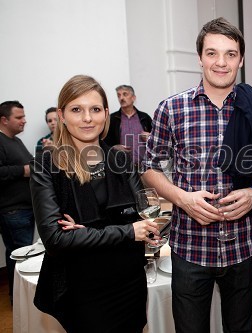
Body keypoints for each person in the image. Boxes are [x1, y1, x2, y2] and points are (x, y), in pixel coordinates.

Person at [141, 17, 252, 333]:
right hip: (190, 246)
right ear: (200, 57)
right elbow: (149, 168)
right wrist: (182, 199)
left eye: (231, 54)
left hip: (243, 244)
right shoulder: (171, 109)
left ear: (241, 60)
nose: (221, 62)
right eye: (212, 53)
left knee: (239, 327)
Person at [30, 75, 158, 332]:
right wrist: (127, 231)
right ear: (62, 115)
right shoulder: (46, 166)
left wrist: (88, 233)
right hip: (83, 288)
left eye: (95, 109)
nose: (87, 118)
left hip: (129, 282)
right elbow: (56, 240)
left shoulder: (120, 160)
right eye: (77, 109)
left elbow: (146, 219)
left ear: (106, 114)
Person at [0, 100, 35, 304]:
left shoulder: (15, 140)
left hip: (24, 209)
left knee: (16, 255)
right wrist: (23, 170)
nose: (24, 121)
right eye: (19, 117)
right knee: (22, 258)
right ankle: (24, 302)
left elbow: (29, 162)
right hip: (13, 211)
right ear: (4, 120)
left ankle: (18, 298)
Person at [103, 84, 152, 166]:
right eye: (119, 95)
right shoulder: (112, 119)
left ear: (133, 98)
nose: (121, 98)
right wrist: (115, 148)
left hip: (144, 166)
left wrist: (150, 137)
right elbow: (104, 143)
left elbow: (157, 140)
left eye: (125, 94)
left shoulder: (144, 117)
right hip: (121, 167)